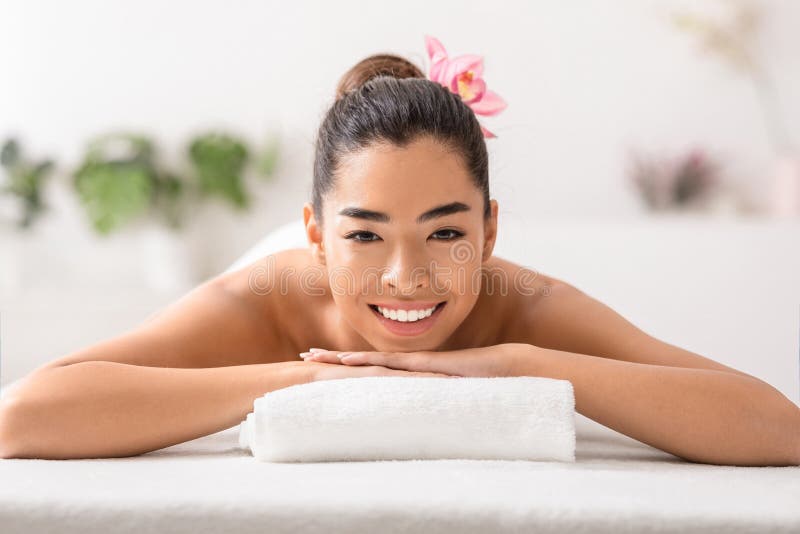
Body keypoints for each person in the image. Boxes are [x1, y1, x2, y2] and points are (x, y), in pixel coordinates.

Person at [1, 49, 798, 466]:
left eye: (446, 233)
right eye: (365, 234)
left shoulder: (520, 304)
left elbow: (778, 426)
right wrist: (305, 376)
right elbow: (23, 415)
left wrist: (523, 364)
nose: (405, 276)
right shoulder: (271, 295)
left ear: (489, 232)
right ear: (315, 234)